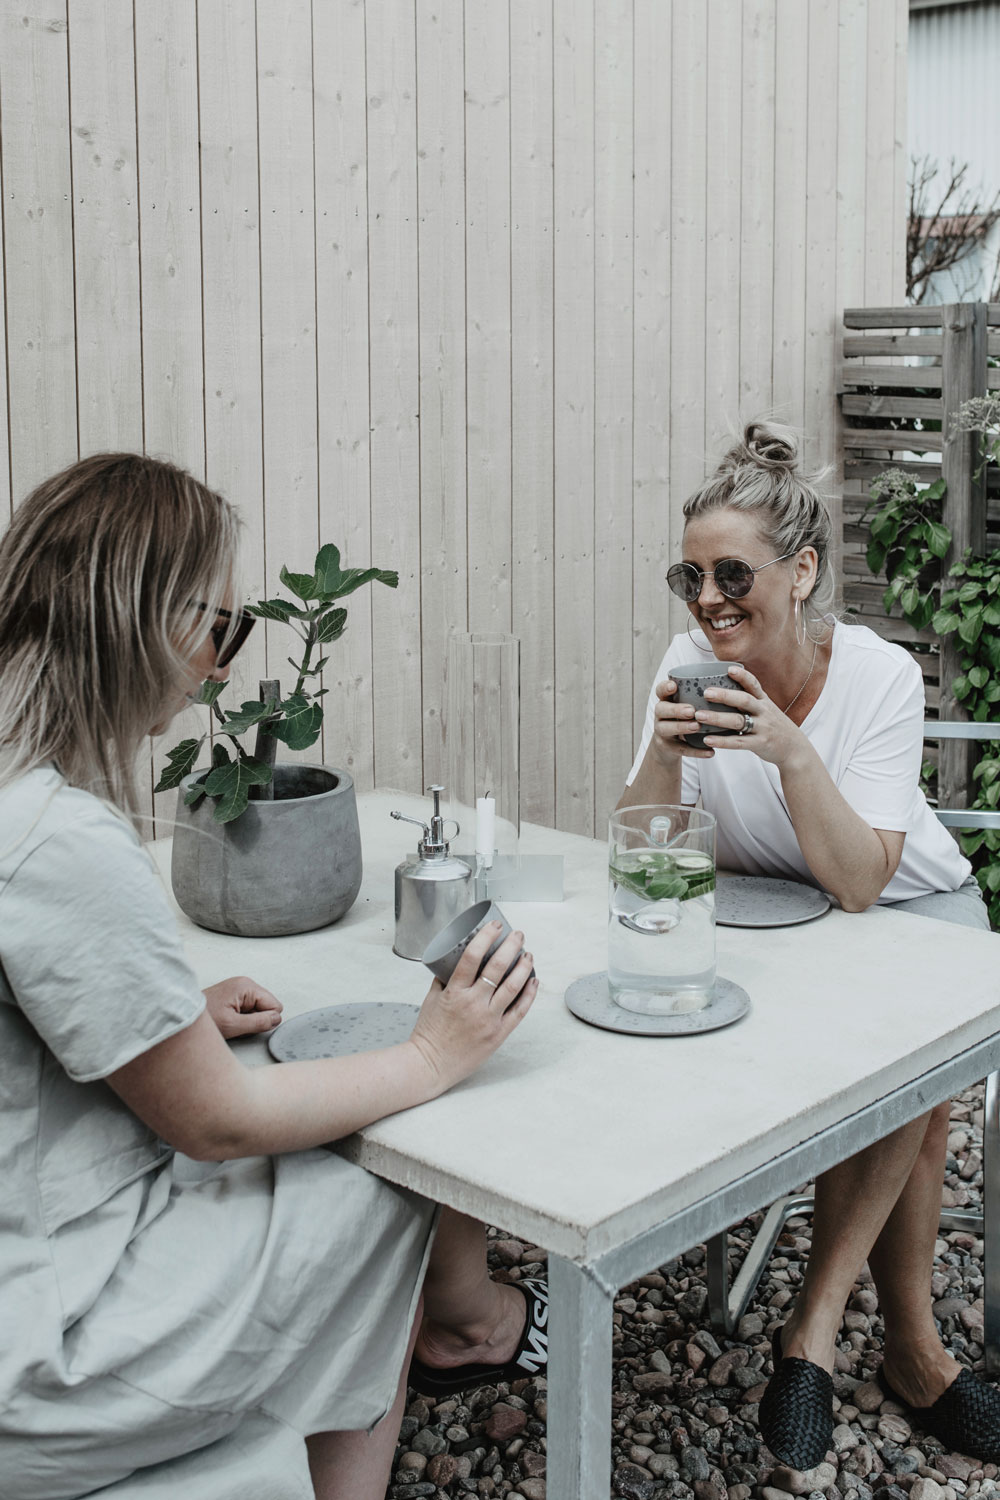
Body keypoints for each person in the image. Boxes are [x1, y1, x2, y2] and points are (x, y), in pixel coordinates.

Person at [0, 453, 543, 1500]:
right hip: (48, 1346)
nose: (220, 670)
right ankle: (429, 1369)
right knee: (391, 1177)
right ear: (145, 617)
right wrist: (436, 1052)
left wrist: (166, 1016)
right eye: (223, 629)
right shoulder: (56, 837)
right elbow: (218, 1123)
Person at [619, 421, 996, 1471]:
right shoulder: (689, 664)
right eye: (689, 577)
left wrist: (790, 753)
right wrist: (663, 755)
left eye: (731, 574)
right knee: (920, 1108)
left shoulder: (877, 676)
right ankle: (914, 1354)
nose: (707, 600)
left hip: (909, 911)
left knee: (910, 1060)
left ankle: (815, 1332)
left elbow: (863, 881)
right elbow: (643, 849)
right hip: (774, 918)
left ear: (803, 572)